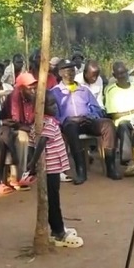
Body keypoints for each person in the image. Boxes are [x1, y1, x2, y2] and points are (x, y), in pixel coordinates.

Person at [25, 91, 83, 248]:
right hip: (50, 168)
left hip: (51, 168)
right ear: (41, 108)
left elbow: (32, 143)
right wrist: (32, 164)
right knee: (53, 201)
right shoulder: (48, 124)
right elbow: (41, 143)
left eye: (55, 103)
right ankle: (58, 232)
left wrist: (32, 163)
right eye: (51, 104)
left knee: (52, 199)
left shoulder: (39, 123)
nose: (55, 107)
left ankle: (57, 228)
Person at [50, 58, 120, 184]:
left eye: (72, 70)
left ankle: (111, 167)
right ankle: (81, 170)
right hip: (69, 124)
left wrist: (91, 116)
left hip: (87, 120)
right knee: (71, 126)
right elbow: (53, 115)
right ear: (60, 73)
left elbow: (96, 108)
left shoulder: (84, 90)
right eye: (66, 71)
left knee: (108, 125)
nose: (70, 73)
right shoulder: (55, 92)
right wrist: (66, 119)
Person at [104, 61, 134, 177]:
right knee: (123, 125)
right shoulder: (111, 90)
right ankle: (129, 162)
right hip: (121, 123)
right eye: (119, 74)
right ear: (114, 75)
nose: (122, 76)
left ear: (127, 73)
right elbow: (113, 115)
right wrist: (132, 111)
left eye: (124, 73)